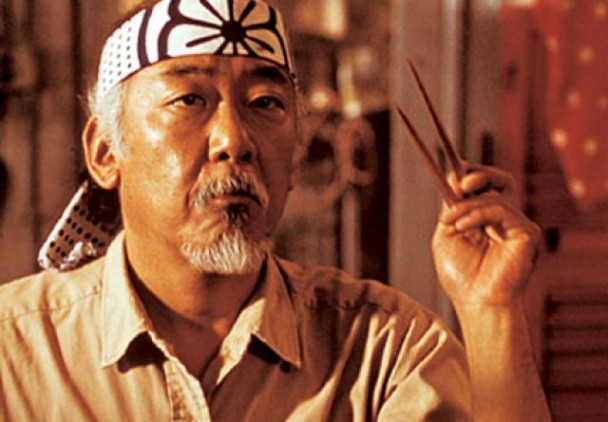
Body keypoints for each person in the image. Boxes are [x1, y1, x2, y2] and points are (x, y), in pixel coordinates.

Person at [0, 0, 550, 420]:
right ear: (104, 151)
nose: (234, 140)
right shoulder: (14, 353)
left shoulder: (383, 351)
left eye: (265, 103)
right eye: (190, 100)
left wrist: (491, 310)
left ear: (294, 158)